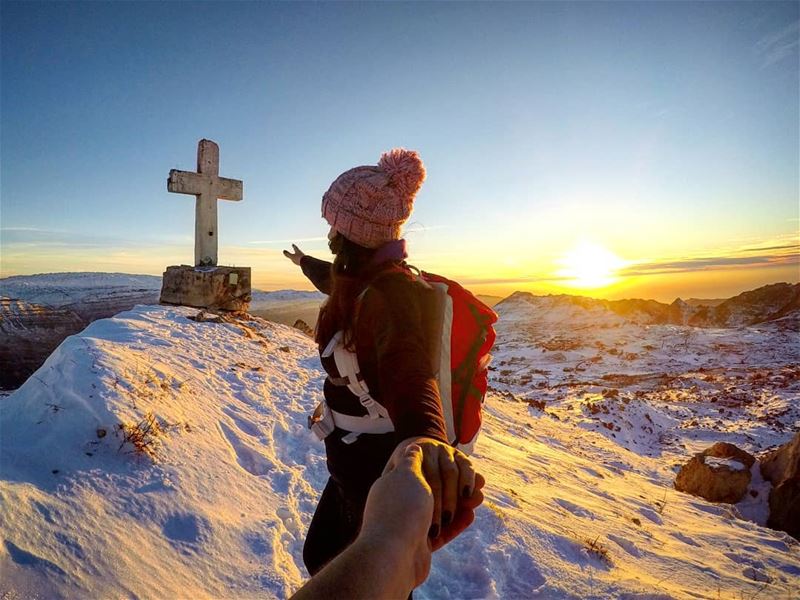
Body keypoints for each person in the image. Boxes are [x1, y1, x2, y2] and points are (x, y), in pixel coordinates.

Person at [284, 148, 477, 577]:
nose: (330, 231)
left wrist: (424, 441)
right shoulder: (364, 279)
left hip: (379, 472)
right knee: (322, 557)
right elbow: (335, 282)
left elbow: (411, 372)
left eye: (334, 223)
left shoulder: (390, 299)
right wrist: (303, 263)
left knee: (368, 576)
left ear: (353, 231)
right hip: (353, 467)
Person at [290, 443, 485, 600]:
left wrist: (425, 436)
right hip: (349, 464)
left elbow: (415, 395)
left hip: (377, 462)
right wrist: (393, 553)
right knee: (319, 551)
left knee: (321, 552)